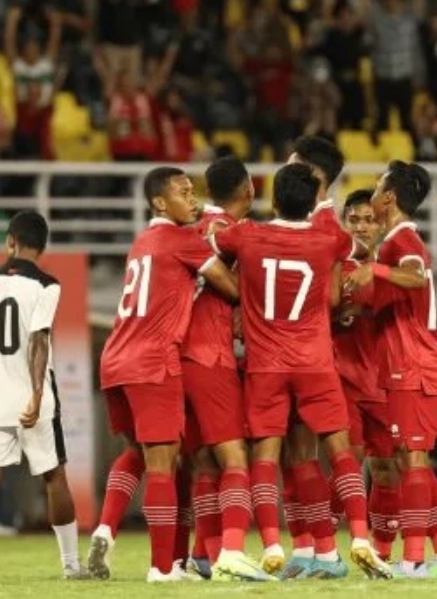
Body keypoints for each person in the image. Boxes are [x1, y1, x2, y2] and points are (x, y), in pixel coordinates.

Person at [210, 163, 393, 581]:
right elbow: (361, 249)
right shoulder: (329, 239)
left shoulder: (247, 235)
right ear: (311, 203)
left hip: (265, 366)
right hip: (315, 363)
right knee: (341, 453)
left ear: (272, 200)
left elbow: (213, 237)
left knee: (267, 456)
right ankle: (360, 537)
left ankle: (273, 542)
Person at [95, 167, 241, 583]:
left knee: (142, 454)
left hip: (115, 360)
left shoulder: (143, 242)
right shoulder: (183, 240)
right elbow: (230, 287)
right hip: (152, 360)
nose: (193, 199)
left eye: (193, 191)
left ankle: (107, 527)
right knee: (163, 464)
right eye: (183, 192)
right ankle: (163, 569)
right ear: (160, 202)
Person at [0, 211, 89, 581]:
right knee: (54, 477)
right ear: (42, 247)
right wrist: (37, 392)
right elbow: (39, 339)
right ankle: (72, 566)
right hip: (31, 398)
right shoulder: (47, 285)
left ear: (10, 241)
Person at [344, 160, 437, 579]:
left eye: (377, 190)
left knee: (411, 459)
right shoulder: (392, 244)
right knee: (408, 458)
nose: (373, 197)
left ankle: (414, 558)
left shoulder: (403, 240)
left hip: (414, 364)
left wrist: (372, 269)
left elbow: (414, 278)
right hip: (406, 364)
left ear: (389, 197)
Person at [179, 157, 266, 581]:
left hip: (178, 357)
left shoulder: (188, 228)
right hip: (210, 356)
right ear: (248, 189)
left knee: (204, 463)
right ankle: (231, 550)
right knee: (235, 458)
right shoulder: (234, 233)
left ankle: (204, 557)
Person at [276, 135, 348, 579]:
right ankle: (305, 548)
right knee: (293, 457)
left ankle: (325, 549)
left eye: (291, 162)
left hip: (309, 357)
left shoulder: (326, 229)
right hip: (293, 354)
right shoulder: (310, 221)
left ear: (312, 174)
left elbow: (335, 296)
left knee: (306, 456)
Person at [334, 189, 401, 563]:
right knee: (348, 460)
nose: (360, 226)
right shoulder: (336, 266)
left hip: (383, 381)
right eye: (353, 219)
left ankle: (382, 553)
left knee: (386, 468)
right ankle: (324, 548)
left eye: (368, 219)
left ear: (380, 223)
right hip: (342, 378)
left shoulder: (394, 269)